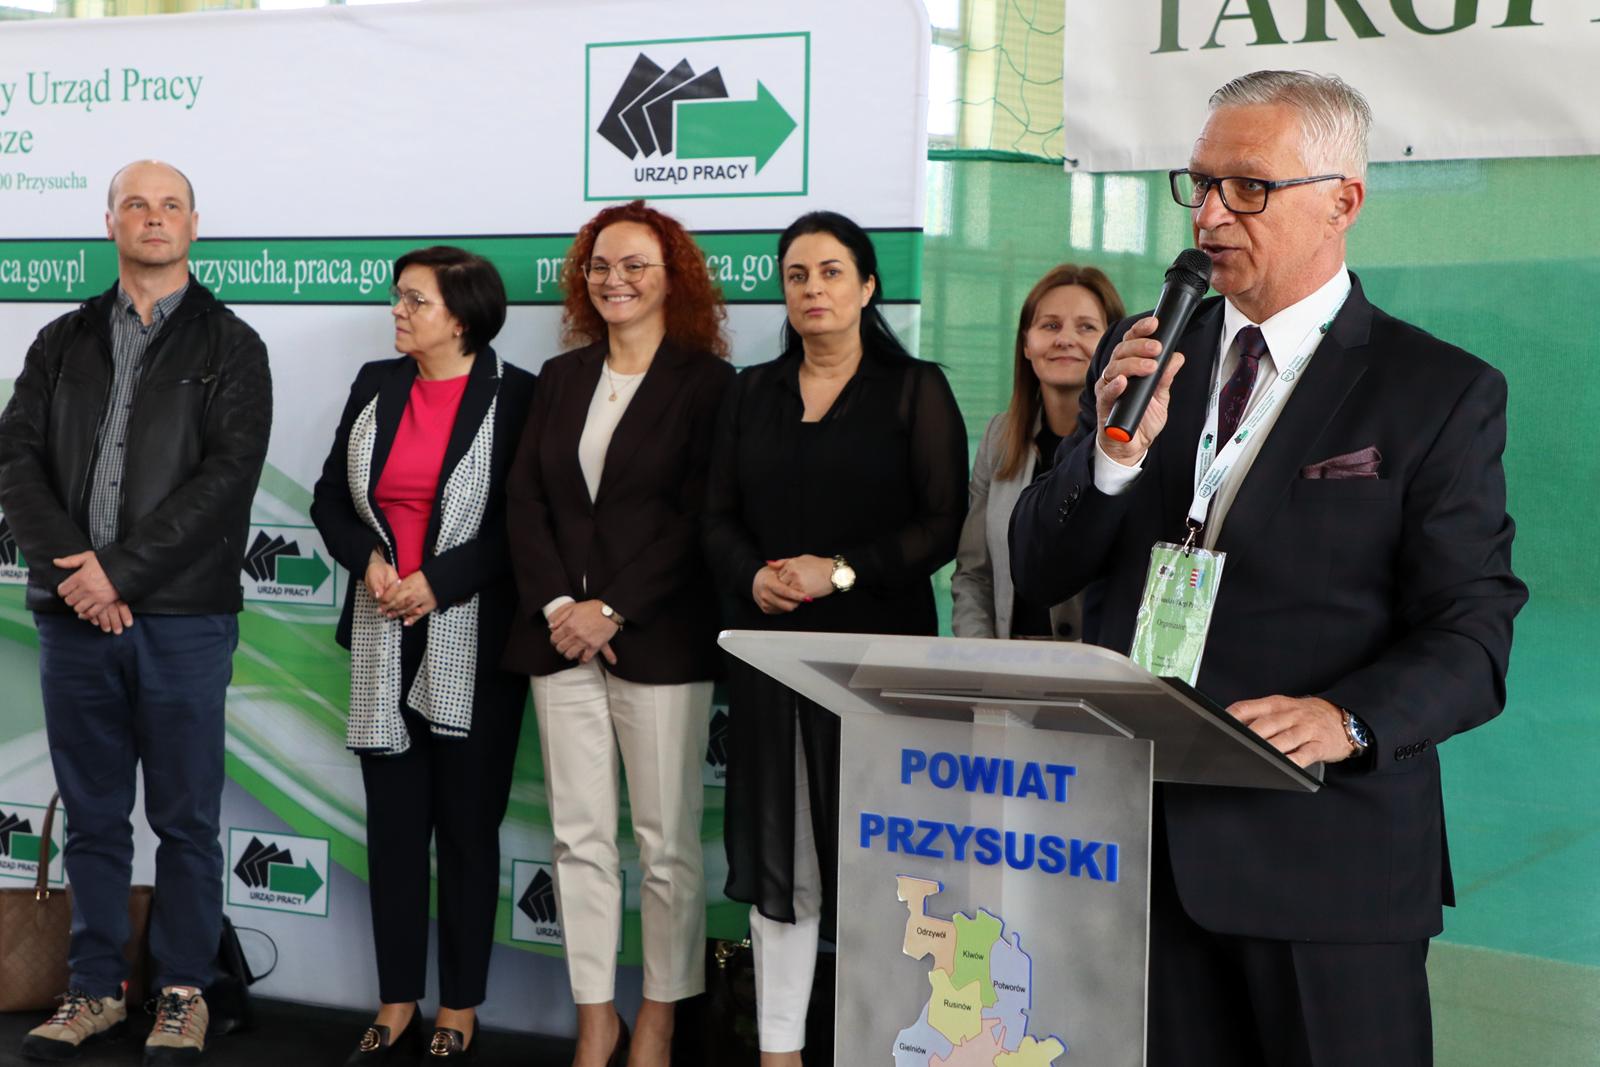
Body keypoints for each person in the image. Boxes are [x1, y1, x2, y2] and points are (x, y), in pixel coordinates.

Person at [1009, 71, 1526, 1065]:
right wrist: (1109, 460)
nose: (1210, 214)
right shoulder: (1145, 351)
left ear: (1343, 200)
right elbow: (1040, 563)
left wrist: (1349, 719)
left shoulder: (1437, 390)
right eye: (1199, 184)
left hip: (1324, 860)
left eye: (1247, 186)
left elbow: (1472, 630)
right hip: (1138, 849)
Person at [0, 160, 271, 1066]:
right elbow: (15, 462)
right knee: (94, 816)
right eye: (135, 204)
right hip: (73, 617)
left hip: (183, 619)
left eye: (170, 205)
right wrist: (77, 575)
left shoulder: (233, 345)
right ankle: (95, 989)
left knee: (187, 820)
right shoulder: (62, 339)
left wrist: (116, 573)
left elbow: (225, 482)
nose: (153, 217)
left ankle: (184, 990)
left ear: (194, 224)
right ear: (109, 222)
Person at [704, 211, 967, 1066]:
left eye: (830, 272)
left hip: (878, 662)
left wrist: (841, 571)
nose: (813, 288)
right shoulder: (750, 392)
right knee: (784, 864)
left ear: (867, 286)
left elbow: (942, 524)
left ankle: (886, 1045)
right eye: (797, 275)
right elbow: (715, 518)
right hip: (771, 658)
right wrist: (752, 576)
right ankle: (778, 1050)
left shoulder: (914, 388)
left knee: (886, 864)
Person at [502, 200, 733, 1067]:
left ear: (673, 277)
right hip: (559, 638)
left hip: (661, 639)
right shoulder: (561, 377)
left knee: (667, 847)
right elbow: (525, 500)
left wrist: (614, 608)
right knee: (579, 839)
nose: (615, 280)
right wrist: (562, 608)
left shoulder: (708, 383)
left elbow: (698, 516)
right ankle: (596, 1017)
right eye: (600, 265)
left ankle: (661, 1018)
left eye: (635, 264)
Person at [309, 246, 534, 1063]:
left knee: (467, 834)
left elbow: (522, 522)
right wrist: (369, 562)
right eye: (398, 298)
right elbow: (329, 498)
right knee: (395, 834)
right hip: (382, 634)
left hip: (474, 644)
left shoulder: (518, 395)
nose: (398, 312)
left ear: (462, 316)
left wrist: (439, 582)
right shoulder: (378, 383)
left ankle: (459, 1007)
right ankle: (397, 999)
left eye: (415, 301)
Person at [951, 264, 1124, 640]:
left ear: (1114, 346)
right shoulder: (998, 438)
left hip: (1098, 665)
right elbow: (974, 575)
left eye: (1086, 327)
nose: (1065, 339)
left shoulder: (1132, 447)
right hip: (1004, 666)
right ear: (1026, 345)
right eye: (1050, 325)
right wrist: (982, 661)